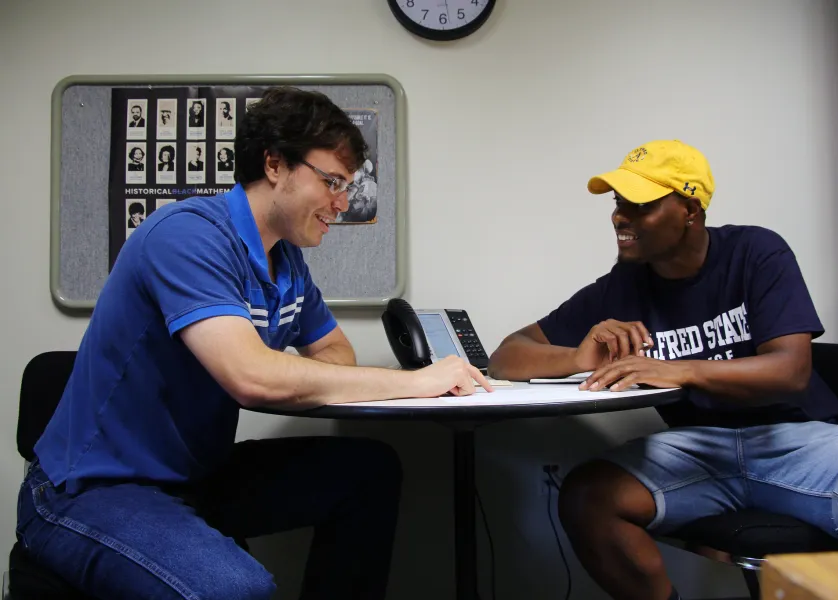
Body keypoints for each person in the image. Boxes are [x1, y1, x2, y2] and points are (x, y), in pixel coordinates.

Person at [17, 86, 492, 600]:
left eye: (347, 186)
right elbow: (251, 378)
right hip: (91, 488)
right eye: (332, 181)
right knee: (237, 589)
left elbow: (335, 353)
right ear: (274, 164)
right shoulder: (188, 236)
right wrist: (416, 382)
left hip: (194, 477)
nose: (342, 203)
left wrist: (283, 371)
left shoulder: (287, 262)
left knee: (369, 471)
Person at [488, 140, 838, 600]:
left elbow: (790, 371)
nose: (620, 217)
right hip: (698, 448)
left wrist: (681, 370)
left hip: (793, 439)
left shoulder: (754, 251)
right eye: (619, 203)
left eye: (641, 205)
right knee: (588, 497)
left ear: (689, 209)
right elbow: (507, 355)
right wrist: (576, 358)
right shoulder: (622, 286)